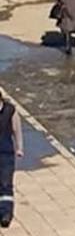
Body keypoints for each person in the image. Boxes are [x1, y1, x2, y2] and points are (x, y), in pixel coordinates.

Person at [0, 89, 23, 228]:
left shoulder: (10, 110)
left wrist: (20, 148)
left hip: (6, 153)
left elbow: (17, 130)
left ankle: (6, 213)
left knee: (6, 183)